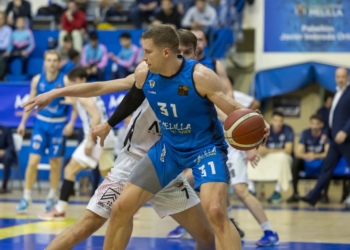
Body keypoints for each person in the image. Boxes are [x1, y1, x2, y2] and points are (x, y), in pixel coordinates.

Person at [23, 29, 218, 250]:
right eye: (178, 52)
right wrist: (56, 93)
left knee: (207, 237)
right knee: (87, 225)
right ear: (167, 52)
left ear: (196, 54)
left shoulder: (200, 84)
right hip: (132, 164)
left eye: (187, 52)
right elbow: (101, 87)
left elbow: (219, 115)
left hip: (166, 169)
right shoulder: (149, 76)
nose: (181, 57)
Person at [91, 25, 269, 250]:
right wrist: (108, 124)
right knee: (121, 208)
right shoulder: (145, 72)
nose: (143, 57)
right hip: (169, 148)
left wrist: (258, 120)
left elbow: (233, 108)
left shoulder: (200, 75)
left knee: (215, 211)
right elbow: (132, 99)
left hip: (205, 148)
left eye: (148, 51)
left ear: (166, 52)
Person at [169, 89, 279, 247]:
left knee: (241, 191)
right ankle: (190, 223)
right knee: (185, 183)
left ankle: (269, 231)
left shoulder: (217, 92)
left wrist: (250, 149)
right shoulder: (190, 92)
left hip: (232, 152)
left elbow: (242, 118)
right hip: (209, 151)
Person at [39, 67, 116, 220]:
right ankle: (128, 205)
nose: (71, 87)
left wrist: (89, 142)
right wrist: (71, 112)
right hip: (107, 138)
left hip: (96, 139)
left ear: (80, 81)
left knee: (69, 169)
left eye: (72, 84)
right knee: (109, 176)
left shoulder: (84, 97)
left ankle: (60, 209)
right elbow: (79, 105)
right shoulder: (88, 93)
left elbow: (95, 117)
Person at [16, 50, 77, 213]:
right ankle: (26, 197)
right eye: (49, 60)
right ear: (44, 62)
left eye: (55, 60)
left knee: (54, 163)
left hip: (58, 125)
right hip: (41, 124)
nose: (52, 63)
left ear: (58, 63)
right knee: (33, 161)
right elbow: (31, 102)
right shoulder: (37, 80)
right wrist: (22, 123)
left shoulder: (64, 79)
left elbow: (75, 103)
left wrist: (71, 122)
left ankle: (51, 195)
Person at [301, 68, 350, 208]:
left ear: (348, 77)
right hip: (335, 140)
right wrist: (326, 133)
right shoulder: (337, 93)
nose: (340, 79)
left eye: (343, 76)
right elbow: (333, 117)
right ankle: (313, 197)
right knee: (326, 169)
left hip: (346, 139)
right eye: (338, 76)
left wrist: (345, 131)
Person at [247, 111, 294, 204]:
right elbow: (260, 148)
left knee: (283, 157)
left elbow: (288, 150)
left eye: (281, 121)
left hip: (281, 157)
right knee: (252, 158)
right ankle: (251, 189)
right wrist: (261, 150)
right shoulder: (265, 129)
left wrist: (268, 151)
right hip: (269, 156)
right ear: (272, 121)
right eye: (276, 120)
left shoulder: (288, 129)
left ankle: (278, 191)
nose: (278, 123)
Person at [287, 114, 330, 203]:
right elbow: (298, 153)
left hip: (320, 162)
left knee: (329, 162)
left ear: (321, 125)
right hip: (308, 162)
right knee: (296, 162)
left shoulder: (325, 134)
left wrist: (314, 155)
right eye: (312, 123)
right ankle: (295, 193)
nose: (314, 126)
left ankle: (324, 194)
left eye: (316, 124)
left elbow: (327, 154)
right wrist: (306, 156)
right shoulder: (305, 133)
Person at [191, 28, 233, 95]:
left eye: (200, 39)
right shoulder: (181, 63)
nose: (197, 42)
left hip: (210, 102)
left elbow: (229, 91)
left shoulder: (216, 64)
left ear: (206, 42)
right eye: (193, 40)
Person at [0, 124, 16, 194]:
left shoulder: (6, 130)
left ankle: (4, 186)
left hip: (4, 155)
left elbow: (11, 146)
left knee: (8, 158)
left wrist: (3, 151)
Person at [0, 12, 12, 81]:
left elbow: (6, 44)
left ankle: (1, 77)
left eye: (1, 18)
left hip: (5, 51)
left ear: (4, 20)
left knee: (2, 58)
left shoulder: (8, 29)